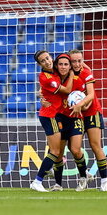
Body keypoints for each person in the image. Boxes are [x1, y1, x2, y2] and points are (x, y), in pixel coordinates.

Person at [47, 54, 93, 192]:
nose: (63, 67)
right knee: (58, 153)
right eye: (61, 64)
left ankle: (83, 177)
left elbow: (87, 98)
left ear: (70, 65)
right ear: (57, 65)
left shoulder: (80, 78)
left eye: (66, 64)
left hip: (75, 117)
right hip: (60, 118)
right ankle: (58, 184)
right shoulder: (54, 78)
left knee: (75, 149)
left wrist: (84, 106)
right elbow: (45, 91)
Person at [29, 51, 74, 192]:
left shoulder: (56, 68)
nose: (47, 62)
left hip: (57, 114)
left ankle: (49, 173)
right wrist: (72, 73)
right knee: (55, 151)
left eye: (48, 58)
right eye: (43, 61)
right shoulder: (46, 77)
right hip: (50, 115)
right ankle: (37, 181)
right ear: (39, 64)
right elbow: (66, 90)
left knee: (55, 150)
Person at [68, 49, 107, 191]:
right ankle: (84, 176)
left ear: (82, 60)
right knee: (74, 149)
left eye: (79, 60)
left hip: (92, 113)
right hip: (76, 115)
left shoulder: (86, 73)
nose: (77, 63)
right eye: (73, 61)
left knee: (95, 146)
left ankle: (104, 181)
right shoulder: (66, 75)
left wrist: (81, 104)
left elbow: (91, 95)